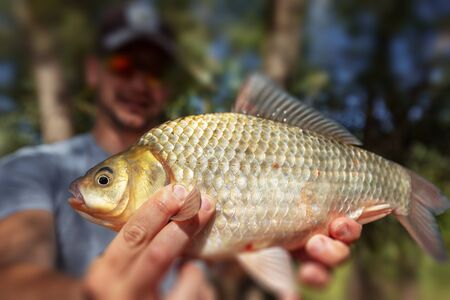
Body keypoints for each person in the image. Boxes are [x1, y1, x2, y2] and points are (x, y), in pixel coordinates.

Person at [0, 1, 362, 299]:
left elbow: (229, 258)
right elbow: (11, 279)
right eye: (124, 65)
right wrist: (87, 295)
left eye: (155, 70)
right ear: (93, 71)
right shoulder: (32, 169)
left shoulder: (197, 140)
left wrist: (274, 245)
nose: (140, 82)